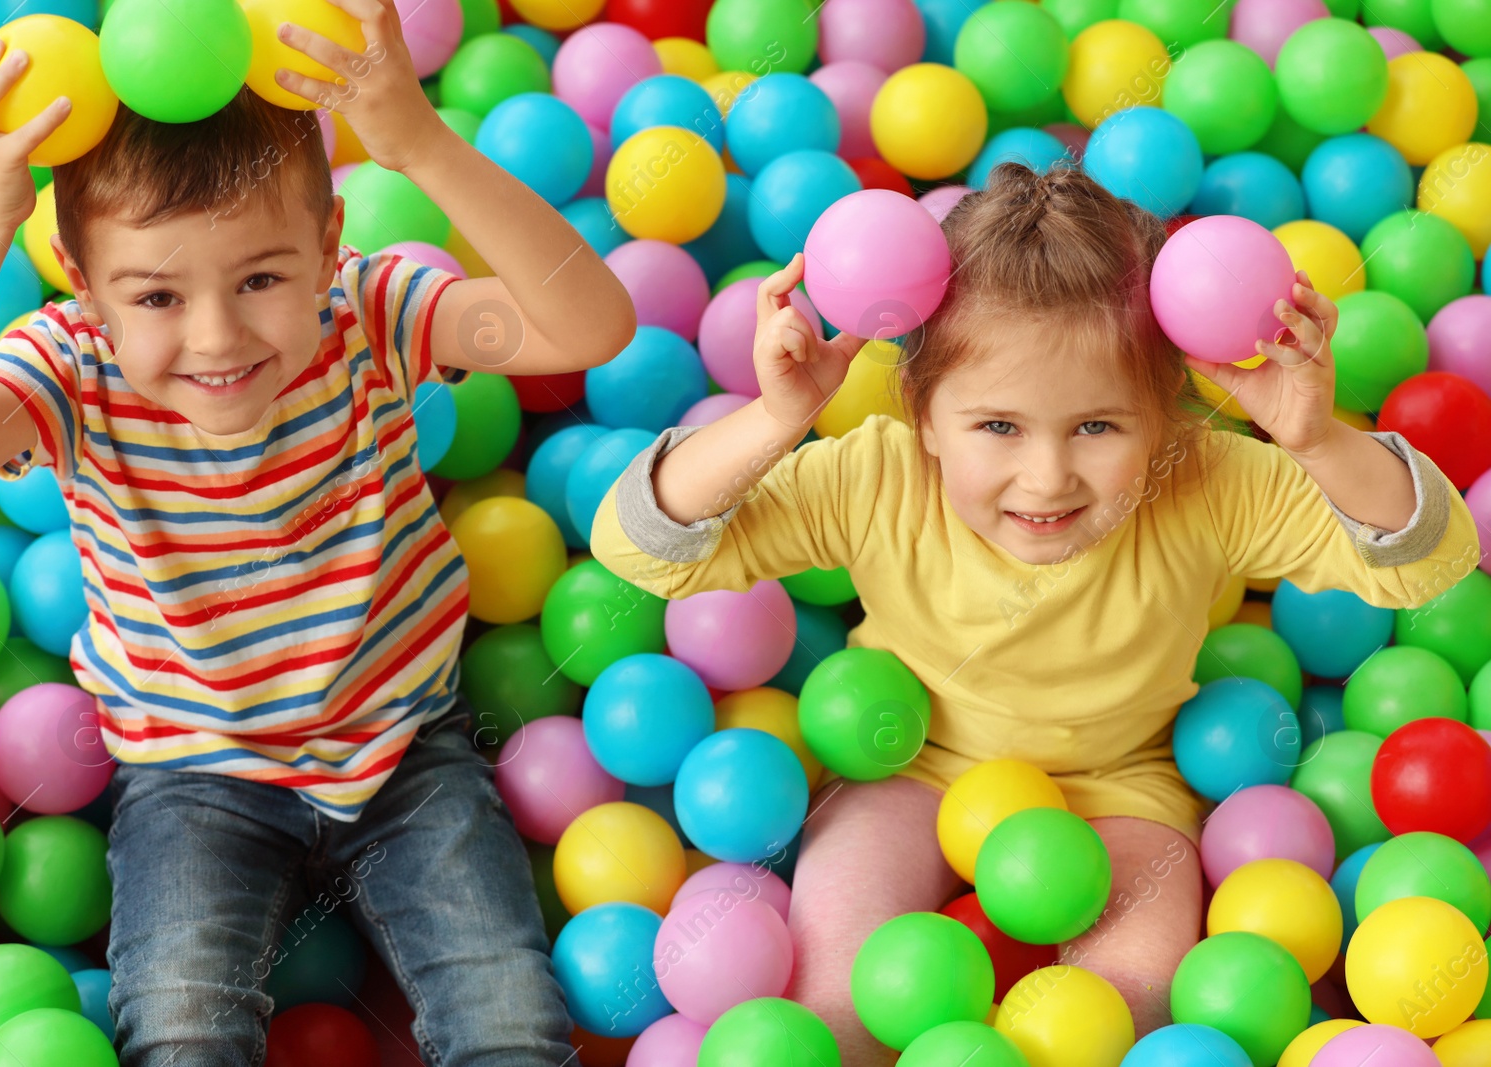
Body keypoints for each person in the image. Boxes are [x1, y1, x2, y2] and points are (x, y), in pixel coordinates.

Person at [588, 163, 1480, 1061]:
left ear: (1167, 420)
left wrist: (1318, 439)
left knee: (1124, 1009)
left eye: (1098, 427)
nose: (1047, 478)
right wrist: (774, 421)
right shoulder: (878, 477)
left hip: (1122, 789)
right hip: (912, 763)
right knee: (839, 997)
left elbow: (1430, 562)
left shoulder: (1204, 480)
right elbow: (638, 548)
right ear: (923, 415)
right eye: (998, 427)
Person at [0, 1, 637, 1063]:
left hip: (405, 744)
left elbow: (592, 326)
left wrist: (416, 140)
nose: (215, 337)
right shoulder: (70, 368)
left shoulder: (368, 312)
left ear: (329, 240)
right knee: (184, 1027)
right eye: (154, 294)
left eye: (260, 278)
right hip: (193, 770)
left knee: (509, 1022)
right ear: (80, 278)